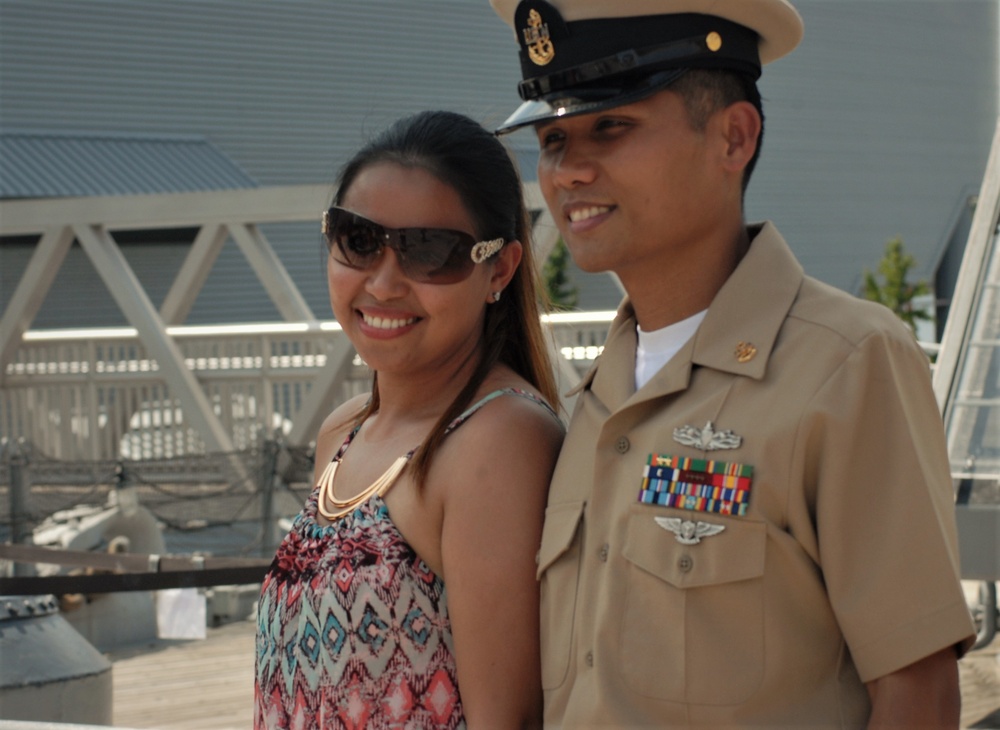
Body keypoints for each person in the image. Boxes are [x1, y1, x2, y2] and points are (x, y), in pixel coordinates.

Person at [488, 0, 977, 727]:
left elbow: (916, 694)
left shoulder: (845, 366)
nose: (568, 172)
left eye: (612, 127)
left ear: (733, 137)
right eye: (553, 140)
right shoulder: (595, 396)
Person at [254, 109, 565, 729]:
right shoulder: (341, 435)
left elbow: (507, 721)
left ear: (498, 269)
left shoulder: (497, 441)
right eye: (358, 240)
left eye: (429, 252)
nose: (384, 282)